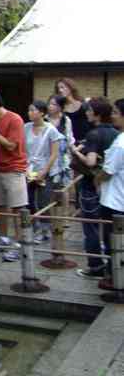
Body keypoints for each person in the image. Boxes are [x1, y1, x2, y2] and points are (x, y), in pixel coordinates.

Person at [71, 97, 118, 278]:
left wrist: (75, 151)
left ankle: (95, 267)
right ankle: (113, 267)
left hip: (91, 185)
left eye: (90, 110)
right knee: (109, 229)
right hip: (109, 188)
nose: (87, 113)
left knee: (90, 227)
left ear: (97, 114)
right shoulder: (115, 133)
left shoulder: (94, 134)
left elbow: (90, 162)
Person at [0, 91, 28, 261]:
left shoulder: (14, 119)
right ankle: (3, 239)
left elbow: (10, 146)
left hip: (13, 168)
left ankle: (19, 244)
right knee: (0, 206)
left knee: (17, 208)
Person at [25, 100, 62, 243]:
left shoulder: (51, 129)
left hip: (46, 170)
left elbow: (54, 153)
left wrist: (44, 172)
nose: (30, 113)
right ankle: (35, 228)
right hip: (29, 169)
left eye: (33, 110)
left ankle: (45, 230)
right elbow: (22, 149)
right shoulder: (26, 127)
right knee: (28, 201)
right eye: (29, 110)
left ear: (42, 113)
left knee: (43, 201)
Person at [96, 99, 124, 283]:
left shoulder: (121, 143)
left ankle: (116, 278)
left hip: (115, 200)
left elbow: (108, 171)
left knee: (112, 241)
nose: (112, 115)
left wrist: (96, 178)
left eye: (115, 112)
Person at [56, 78, 89, 145]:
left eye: (62, 87)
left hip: (84, 143)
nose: (60, 90)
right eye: (58, 88)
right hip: (69, 143)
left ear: (70, 87)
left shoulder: (83, 104)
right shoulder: (60, 107)